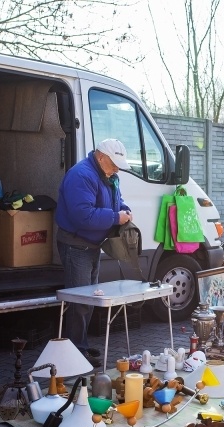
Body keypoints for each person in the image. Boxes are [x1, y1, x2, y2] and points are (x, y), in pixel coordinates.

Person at [55, 139, 133, 362]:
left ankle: (80, 346)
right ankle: (74, 353)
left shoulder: (108, 174)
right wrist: (115, 217)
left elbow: (116, 200)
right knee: (80, 301)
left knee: (88, 300)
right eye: (114, 163)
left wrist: (124, 209)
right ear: (100, 157)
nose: (118, 168)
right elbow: (83, 215)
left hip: (90, 245)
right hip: (76, 244)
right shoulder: (81, 175)